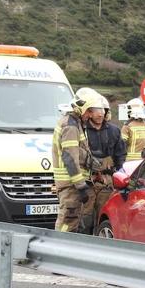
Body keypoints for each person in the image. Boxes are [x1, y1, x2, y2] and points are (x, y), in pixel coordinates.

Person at [53, 88, 103, 233]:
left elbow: (77, 153)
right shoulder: (71, 126)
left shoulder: (74, 123)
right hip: (71, 185)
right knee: (67, 223)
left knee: (71, 222)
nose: (90, 115)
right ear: (82, 109)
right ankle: (59, 251)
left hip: (70, 184)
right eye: (89, 111)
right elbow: (70, 159)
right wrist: (81, 186)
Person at [83, 94, 127, 234]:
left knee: (103, 215)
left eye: (103, 110)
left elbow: (120, 155)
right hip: (87, 181)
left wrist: (119, 177)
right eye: (96, 110)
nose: (100, 114)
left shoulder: (114, 131)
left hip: (107, 182)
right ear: (89, 112)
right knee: (85, 217)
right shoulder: (82, 130)